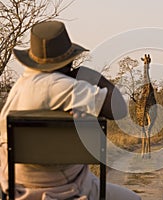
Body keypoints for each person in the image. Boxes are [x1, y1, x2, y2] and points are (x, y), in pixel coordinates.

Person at [0, 20, 141, 200]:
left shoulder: (22, 84)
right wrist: (90, 76)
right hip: (66, 187)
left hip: (15, 185)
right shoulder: (60, 86)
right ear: (67, 61)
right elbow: (119, 109)